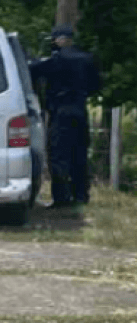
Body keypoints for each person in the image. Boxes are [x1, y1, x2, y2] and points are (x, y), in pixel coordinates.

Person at [30, 25, 102, 207]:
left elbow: (32, 71)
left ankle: (61, 198)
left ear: (56, 40)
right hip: (79, 109)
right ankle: (81, 195)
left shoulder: (54, 60)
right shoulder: (87, 59)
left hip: (60, 112)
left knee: (59, 155)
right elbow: (96, 85)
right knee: (80, 154)